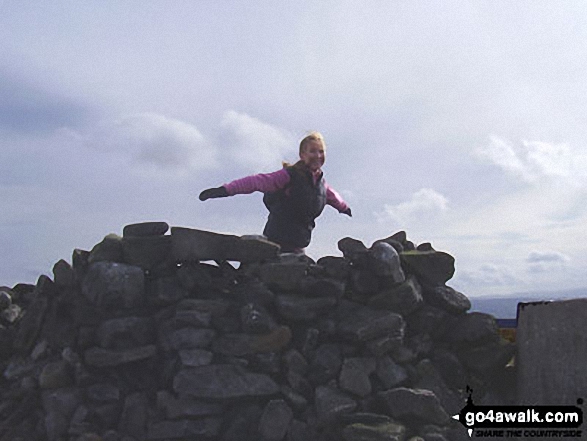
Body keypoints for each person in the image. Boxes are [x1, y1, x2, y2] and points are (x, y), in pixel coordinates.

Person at [199, 131, 351, 253]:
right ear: (302, 155)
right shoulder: (289, 175)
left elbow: (335, 198)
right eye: (312, 151)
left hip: (299, 245)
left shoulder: (322, 185)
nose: (317, 156)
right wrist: (225, 190)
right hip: (276, 242)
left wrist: (344, 208)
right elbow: (256, 181)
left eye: (321, 151)